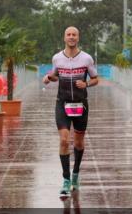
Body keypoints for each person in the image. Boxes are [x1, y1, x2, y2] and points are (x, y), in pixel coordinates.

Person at [42, 27, 99, 197]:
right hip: (63, 104)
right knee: (64, 140)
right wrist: (48, 78)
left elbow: (96, 79)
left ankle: (75, 175)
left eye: (74, 35)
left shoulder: (87, 59)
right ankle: (66, 180)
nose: (71, 37)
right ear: (64, 37)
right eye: (69, 34)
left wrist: (86, 84)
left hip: (81, 105)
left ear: (78, 38)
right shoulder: (57, 58)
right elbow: (56, 76)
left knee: (79, 143)